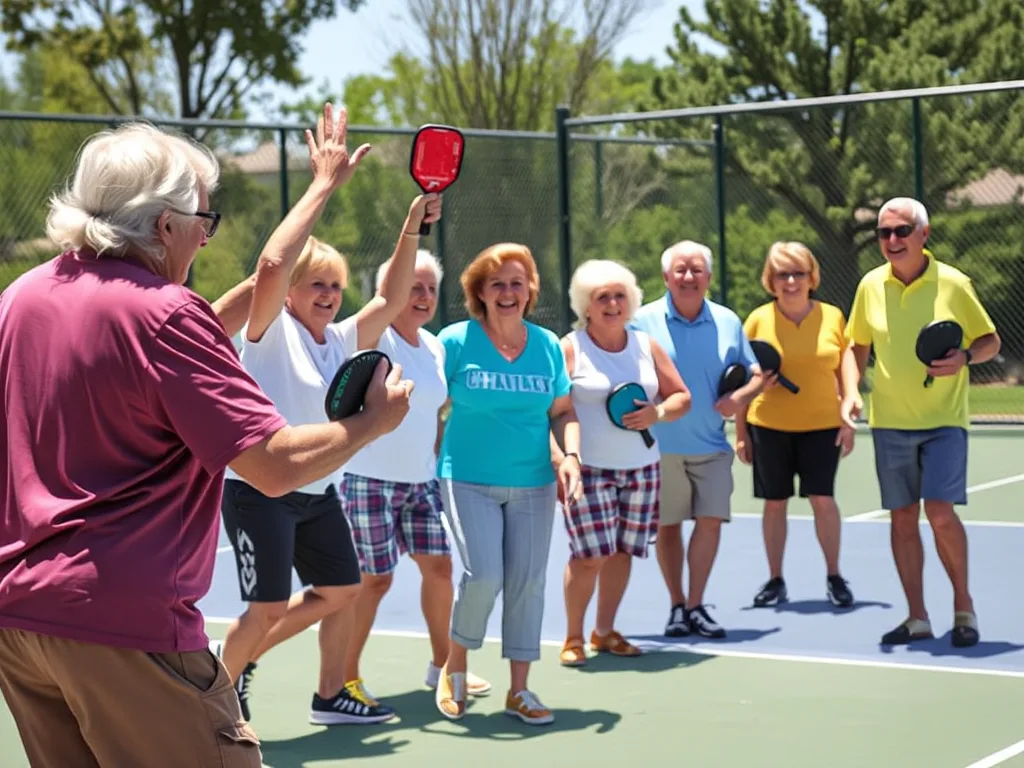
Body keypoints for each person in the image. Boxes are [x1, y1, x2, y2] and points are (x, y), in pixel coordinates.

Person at [0, 118, 412, 768]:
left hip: (22, 622)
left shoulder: (20, 299)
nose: (204, 236)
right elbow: (273, 467)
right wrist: (372, 422)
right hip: (128, 627)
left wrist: (301, 221)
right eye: (203, 221)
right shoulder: (165, 314)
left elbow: (165, 339)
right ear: (165, 225)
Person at [216, 104, 441, 725]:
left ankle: (326, 695)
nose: (329, 294)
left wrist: (411, 227)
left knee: (342, 590)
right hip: (260, 492)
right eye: (316, 283)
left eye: (335, 286)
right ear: (289, 291)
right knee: (265, 608)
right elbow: (270, 265)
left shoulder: (341, 339)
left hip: (318, 492)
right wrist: (323, 185)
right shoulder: (267, 332)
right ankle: (213, 698)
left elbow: (391, 297)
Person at [326, 249, 491, 719]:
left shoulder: (435, 347)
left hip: (421, 483)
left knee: (439, 569)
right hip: (368, 481)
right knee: (373, 581)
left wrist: (435, 459)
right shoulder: (372, 338)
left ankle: (443, 666)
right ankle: (345, 680)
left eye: (430, 289)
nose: (423, 296)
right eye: (413, 287)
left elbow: (435, 411)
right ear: (393, 290)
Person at [433, 243, 581, 725]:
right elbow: (431, 403)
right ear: (480, 292)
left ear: (530, 290)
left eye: (517, 283)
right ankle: (455, 666)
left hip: (534, 483)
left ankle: (520, 690)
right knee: (484, 576)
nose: (507, 292)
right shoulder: (455, 341)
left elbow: (562, 412)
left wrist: (570, 457)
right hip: (467, 478)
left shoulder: (547, 346)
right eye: (496, 283)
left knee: (527, 582)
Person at [845, 197, 1000, 648]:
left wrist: (965, 358)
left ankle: (964, 608)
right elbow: (855, 347)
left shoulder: (953, 283)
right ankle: (917, 617)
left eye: (902, 230)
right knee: (902, 518)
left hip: (944, 421)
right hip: (889, 422)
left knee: (940, 513)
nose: (893, 240)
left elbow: (990, 341)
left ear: (924, 234)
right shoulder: (870, 285)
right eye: (884, 233)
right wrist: (851, 390)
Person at [555, 259, 691, 667]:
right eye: (602, 297)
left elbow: (681, 397)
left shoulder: (646, 345)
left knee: (621, 552)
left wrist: (657, 413)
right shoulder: (569, 348)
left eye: (619, 296)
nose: (612, 304)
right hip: (588, 471)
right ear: (586, 305)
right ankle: (573, 636)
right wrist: (562, 460)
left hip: (642, 469)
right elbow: (553, 410)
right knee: (588, 556)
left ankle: (605, 631)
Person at [630, 240, 763, 639]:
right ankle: (677, 606)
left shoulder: (728, 321)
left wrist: (739, 399)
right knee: (668, 528)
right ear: (665, 277)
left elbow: (756, 374)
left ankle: (695, 605)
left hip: (712, 447)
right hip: (659, 448)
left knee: (710, 523)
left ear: (709, 276)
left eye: (696, 270)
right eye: (681, 270)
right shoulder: (640, 321)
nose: (688, 277)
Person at [735, 241, 857, 609]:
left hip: (823, 425)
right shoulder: (757, 320)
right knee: (774, 503)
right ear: (770, 280)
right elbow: (744, 378)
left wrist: (848, 416)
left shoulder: (833, 317)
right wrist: (741, 433)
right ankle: (775, 580)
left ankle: (835, 576)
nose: (790, 282)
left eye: (798, 273)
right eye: (782, 274)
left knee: (823, 499)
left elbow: (846, 365)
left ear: (811, 277)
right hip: (768, 426)